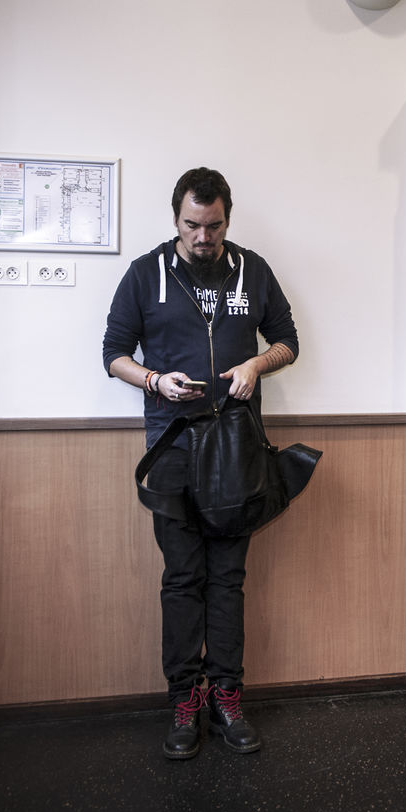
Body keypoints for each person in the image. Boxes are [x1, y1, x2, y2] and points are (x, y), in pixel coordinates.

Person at [102, 166, 299, 759]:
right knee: (183, 578)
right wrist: (154, 380)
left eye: (213, 226)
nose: (203, 237)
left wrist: (255, 365)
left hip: (236, 449)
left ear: (227, 220)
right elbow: (113, 354)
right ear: (176, 218)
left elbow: (288, 342)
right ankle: (185, 699)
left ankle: (228, 696)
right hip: (172, 449)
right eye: (192, 225)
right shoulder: (146, 273)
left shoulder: (252, 270)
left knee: (228, 578)